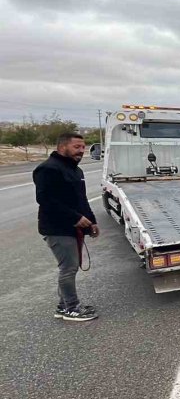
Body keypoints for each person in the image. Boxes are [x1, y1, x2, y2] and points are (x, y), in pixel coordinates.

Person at [33, 132, 100, 322]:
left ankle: (64, 305)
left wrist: (91, 221)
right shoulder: (48, 169)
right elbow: (45, 199)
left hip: (74, 227)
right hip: (57, 228)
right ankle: (71, 308)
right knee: (68, 268)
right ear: (62, 147)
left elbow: (81, 200)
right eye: (76, 147)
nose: (81, 150)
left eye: (83, 147)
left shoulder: (76, 171)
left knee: (70, 267)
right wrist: (75, 218)